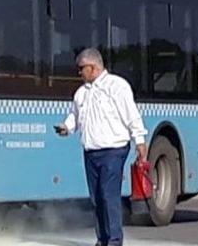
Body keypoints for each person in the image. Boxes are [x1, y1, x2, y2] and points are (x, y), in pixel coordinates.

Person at [55, 48, 148, 246]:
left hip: (113, 150)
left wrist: (139, 140)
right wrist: (67, 127)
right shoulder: (81, 93)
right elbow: (75, 116)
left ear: (93, 67)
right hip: (91, 152)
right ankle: (102, 238)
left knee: (108, 195)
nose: (79, 73)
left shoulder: (117, 86)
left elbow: (131, 115)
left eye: (82, 69)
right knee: (96, 198)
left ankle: (114, 240)